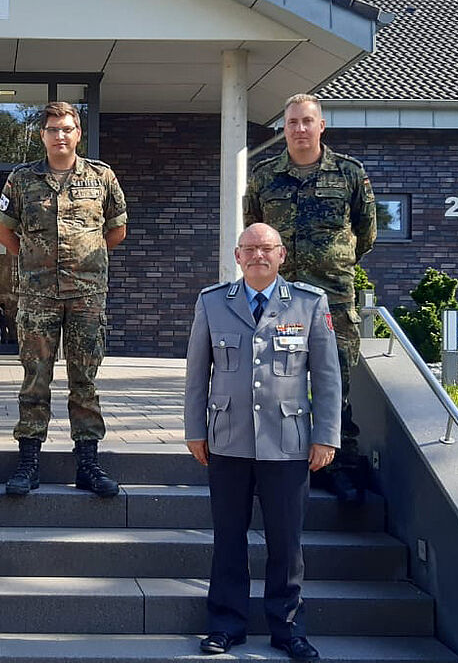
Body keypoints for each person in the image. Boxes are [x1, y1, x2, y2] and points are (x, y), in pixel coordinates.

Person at [184, 223, 341, 662]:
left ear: (281, 255)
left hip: (287, 443)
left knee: (286, 542)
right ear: (237, 256)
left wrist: (326, 435)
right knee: (228, 538)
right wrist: (195, 430)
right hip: (228, 440)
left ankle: (288, 629)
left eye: (266, 248)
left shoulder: (309, 303)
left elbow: (327, 377)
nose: (258, 255)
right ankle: (225, 625)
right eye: (250, 248)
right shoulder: (213, 302)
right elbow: (197, 373)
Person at [243, 92, 376, 505]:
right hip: (279, 299)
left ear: (321, 126)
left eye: (307, 121)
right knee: (274, 379)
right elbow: (255, 232)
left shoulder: (350, 173)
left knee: (336, 382)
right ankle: (276, 463)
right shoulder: (264, 176)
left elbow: (366, 234)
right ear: (283, 129)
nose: (300, 129)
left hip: (331, 297)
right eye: (292, 122)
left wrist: (331, 264)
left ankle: (340, 467)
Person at [0, 101, 128, 498]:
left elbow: (117, 230)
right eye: (53, 129)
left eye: (67, 128)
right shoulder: (21, 179)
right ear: (42, 135)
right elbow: (4, 233)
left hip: (87, 296)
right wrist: (36, 260)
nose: (60, 136)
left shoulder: (101, 177)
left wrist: (86, 259)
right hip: (38, 297)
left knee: (84, 380)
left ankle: (87, 464)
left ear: (78, 133)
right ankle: (28, 463)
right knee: (35, 380)